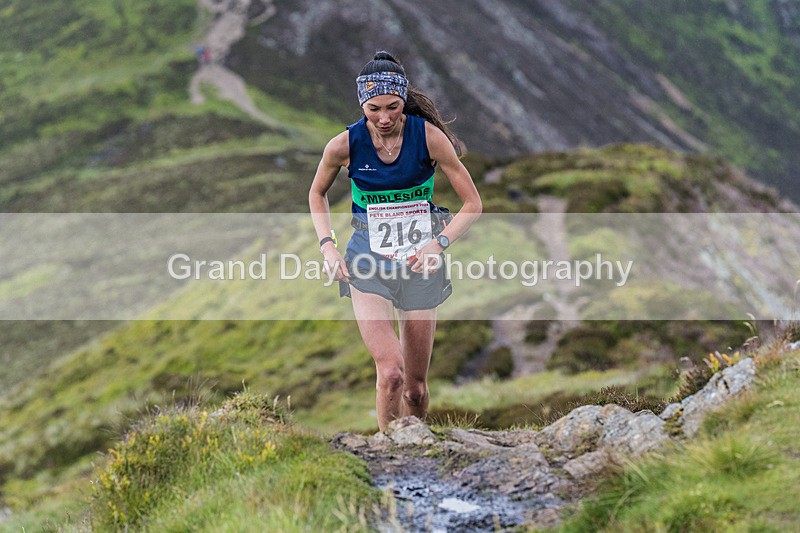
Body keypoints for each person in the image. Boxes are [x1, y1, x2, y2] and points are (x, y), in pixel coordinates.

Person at [309, 51, 482, 431]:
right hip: (367, 262)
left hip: (421, 264)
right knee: (391, 374)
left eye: (392, 106)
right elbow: (316, 193)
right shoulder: (344, 145)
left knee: (416, 389)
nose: (384, 118)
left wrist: (440, 244)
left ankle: (415, 455)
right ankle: (387, 453)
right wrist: (328, 246)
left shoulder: (429, 139)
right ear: (361, 105)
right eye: (374, 109)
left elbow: (473, 204)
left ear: (404, 100)